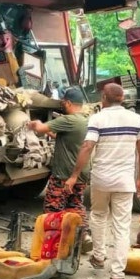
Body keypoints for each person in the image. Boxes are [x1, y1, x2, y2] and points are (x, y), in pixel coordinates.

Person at [67, 83, 140, 279]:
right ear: (122, 98)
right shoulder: (136, 119)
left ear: (103, 97)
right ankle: (118, 276)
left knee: (99, 215)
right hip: (124, 181)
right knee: (121, 226)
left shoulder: (97, 119)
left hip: (101, 179)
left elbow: (87, 147)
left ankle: (99, 256)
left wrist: (74, 175)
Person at [27, 88, 91, 242]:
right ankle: (83, 236)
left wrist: (34, 123)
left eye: (63, 102)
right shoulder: (86, 121)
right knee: (75, 205)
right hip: (81, 175)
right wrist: (50, 131)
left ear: (68, 103)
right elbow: (62, 137)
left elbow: (40, 128)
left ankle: (53, 242)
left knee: (53, 209)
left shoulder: (68, 120)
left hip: (64, 175)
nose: (62, 105)